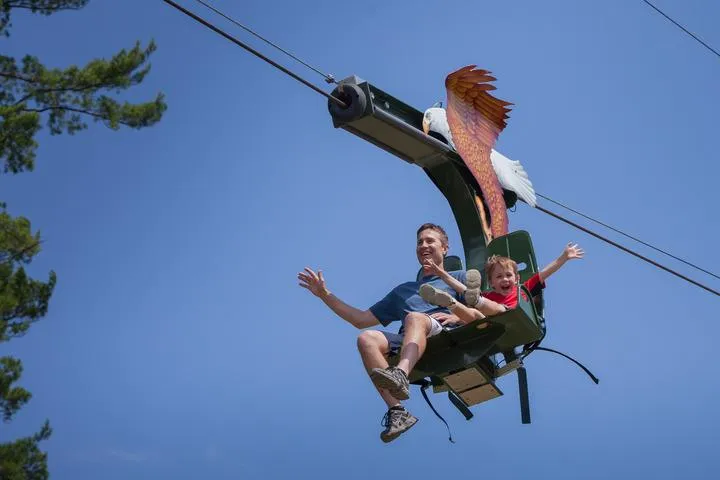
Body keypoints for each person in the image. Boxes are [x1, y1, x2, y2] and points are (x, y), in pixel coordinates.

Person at [297, 223, 503, 443]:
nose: (423, 245)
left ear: (445, 248)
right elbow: (360, 320)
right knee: (366, 338)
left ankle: (401, 374)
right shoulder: (403, 291)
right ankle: (398, 411)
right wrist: (325, 294)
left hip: (447, 334)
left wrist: (458, 316)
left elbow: (482, 311)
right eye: (419, 242)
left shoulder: (459, 277)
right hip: (412, 339)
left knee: (414, 318)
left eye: (430, 241)